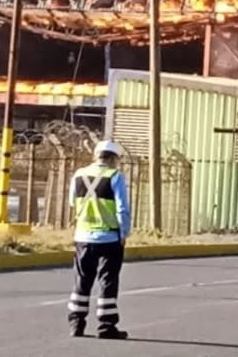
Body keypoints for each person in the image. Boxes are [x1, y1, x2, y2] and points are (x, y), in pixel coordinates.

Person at [67, 139, 131, 340]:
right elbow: (122, 209)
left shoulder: (79, 174)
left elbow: (71, 202)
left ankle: (76, 324)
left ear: (96, 155)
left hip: (83, 237)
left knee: (82, 280)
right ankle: (106, 327)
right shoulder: (115, 176)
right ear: (113, 158)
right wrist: (124, 234)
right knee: (107, 282)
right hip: (109, 237)